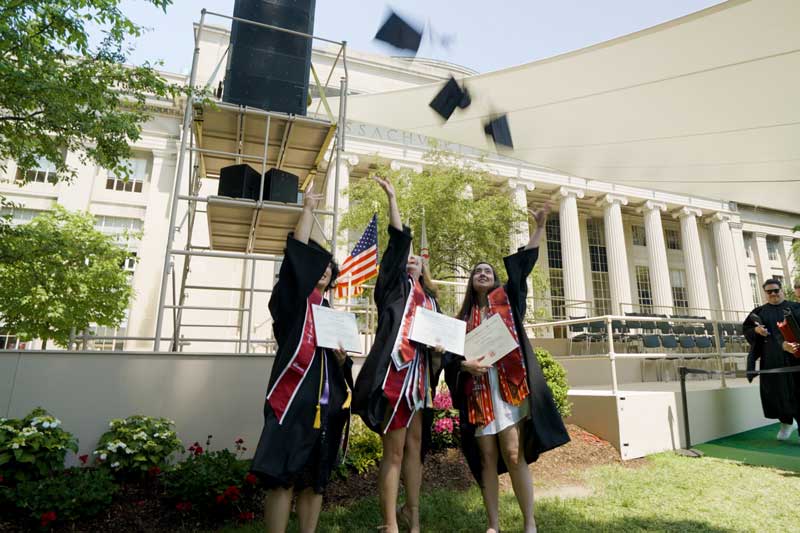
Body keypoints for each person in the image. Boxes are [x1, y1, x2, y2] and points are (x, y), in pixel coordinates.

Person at [445, 203, 569, 533]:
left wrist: (539, 228)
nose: (482, 273)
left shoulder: (507, 301)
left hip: (508, 389)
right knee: (486, 458)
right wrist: (463, 365)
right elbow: (450, 361)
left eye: (487, 270)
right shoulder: (462, 320)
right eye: (477, 271)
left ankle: (529, 522)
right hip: (479, 394)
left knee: (513, 454)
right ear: (471, 282)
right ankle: (493, 524)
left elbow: (522, 267)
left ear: (495, 278)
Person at [251, 181, 353, 533]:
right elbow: (295, 261)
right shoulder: (294, 304)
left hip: (325, 406)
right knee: (282, 477)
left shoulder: (334, 314)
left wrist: (342, 361)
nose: (323, 269)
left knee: (315, 478)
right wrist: (307, 209)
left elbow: (343, 366)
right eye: (317, 264)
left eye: (329, 267)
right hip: (291, 402)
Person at [352, 175, 445, 533]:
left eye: (416, 261)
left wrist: (440, 351)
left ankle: (413, 514)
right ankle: (390, 523)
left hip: (420, 379)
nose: (410, 262)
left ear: (423, 267)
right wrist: (393, 198)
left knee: (416, 448)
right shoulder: (392, 290)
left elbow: (442, 345)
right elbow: (396, 245)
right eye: (406, 260)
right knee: (393, 451)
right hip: (394, 377)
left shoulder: (433, 300)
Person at [743, 278, 800, 441]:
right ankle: (786, 423)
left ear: (781, 289)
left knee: (797, 394)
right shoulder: (759, 312)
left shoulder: (795, 308)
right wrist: (756, 329)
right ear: (765, 293)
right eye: (769, 292)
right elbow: (746, 328)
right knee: (775, 395)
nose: (773, 294)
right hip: (771, 360)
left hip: (795, 360)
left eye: (776, 290)